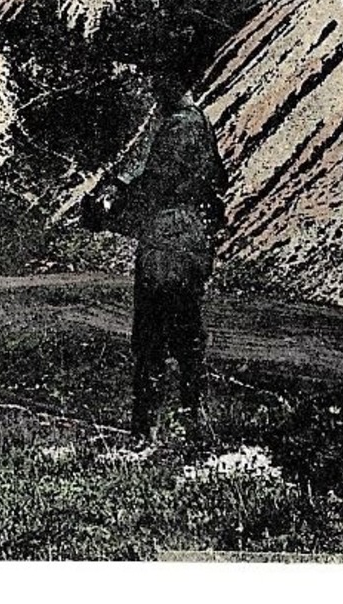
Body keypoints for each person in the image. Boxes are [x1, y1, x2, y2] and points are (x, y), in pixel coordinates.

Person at [90, 73, 228, 442]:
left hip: (167, 240)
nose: (152, 92)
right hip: (192, 237)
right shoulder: (201, 124)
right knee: (187, 336)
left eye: (157, 85)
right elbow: (218, 179)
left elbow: (154, 184)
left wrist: (109, 204)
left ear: (169, 86)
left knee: (151, 338)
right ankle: (192, 425)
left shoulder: (178, 126)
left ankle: (145, 433)